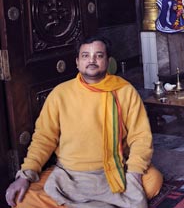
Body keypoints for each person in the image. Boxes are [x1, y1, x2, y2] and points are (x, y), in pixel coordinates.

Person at [5, 36, 163, 208]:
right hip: (69, 175)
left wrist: (134, 174)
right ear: (77, 62)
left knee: (152, 180)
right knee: (23, 198)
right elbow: (43, 138)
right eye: (85, 55)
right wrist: (25, 176)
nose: (92, 60)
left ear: (108, 61)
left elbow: (141, 137)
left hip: (113, 172)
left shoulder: (125, 91)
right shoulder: (60, 93)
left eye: (99, 55)